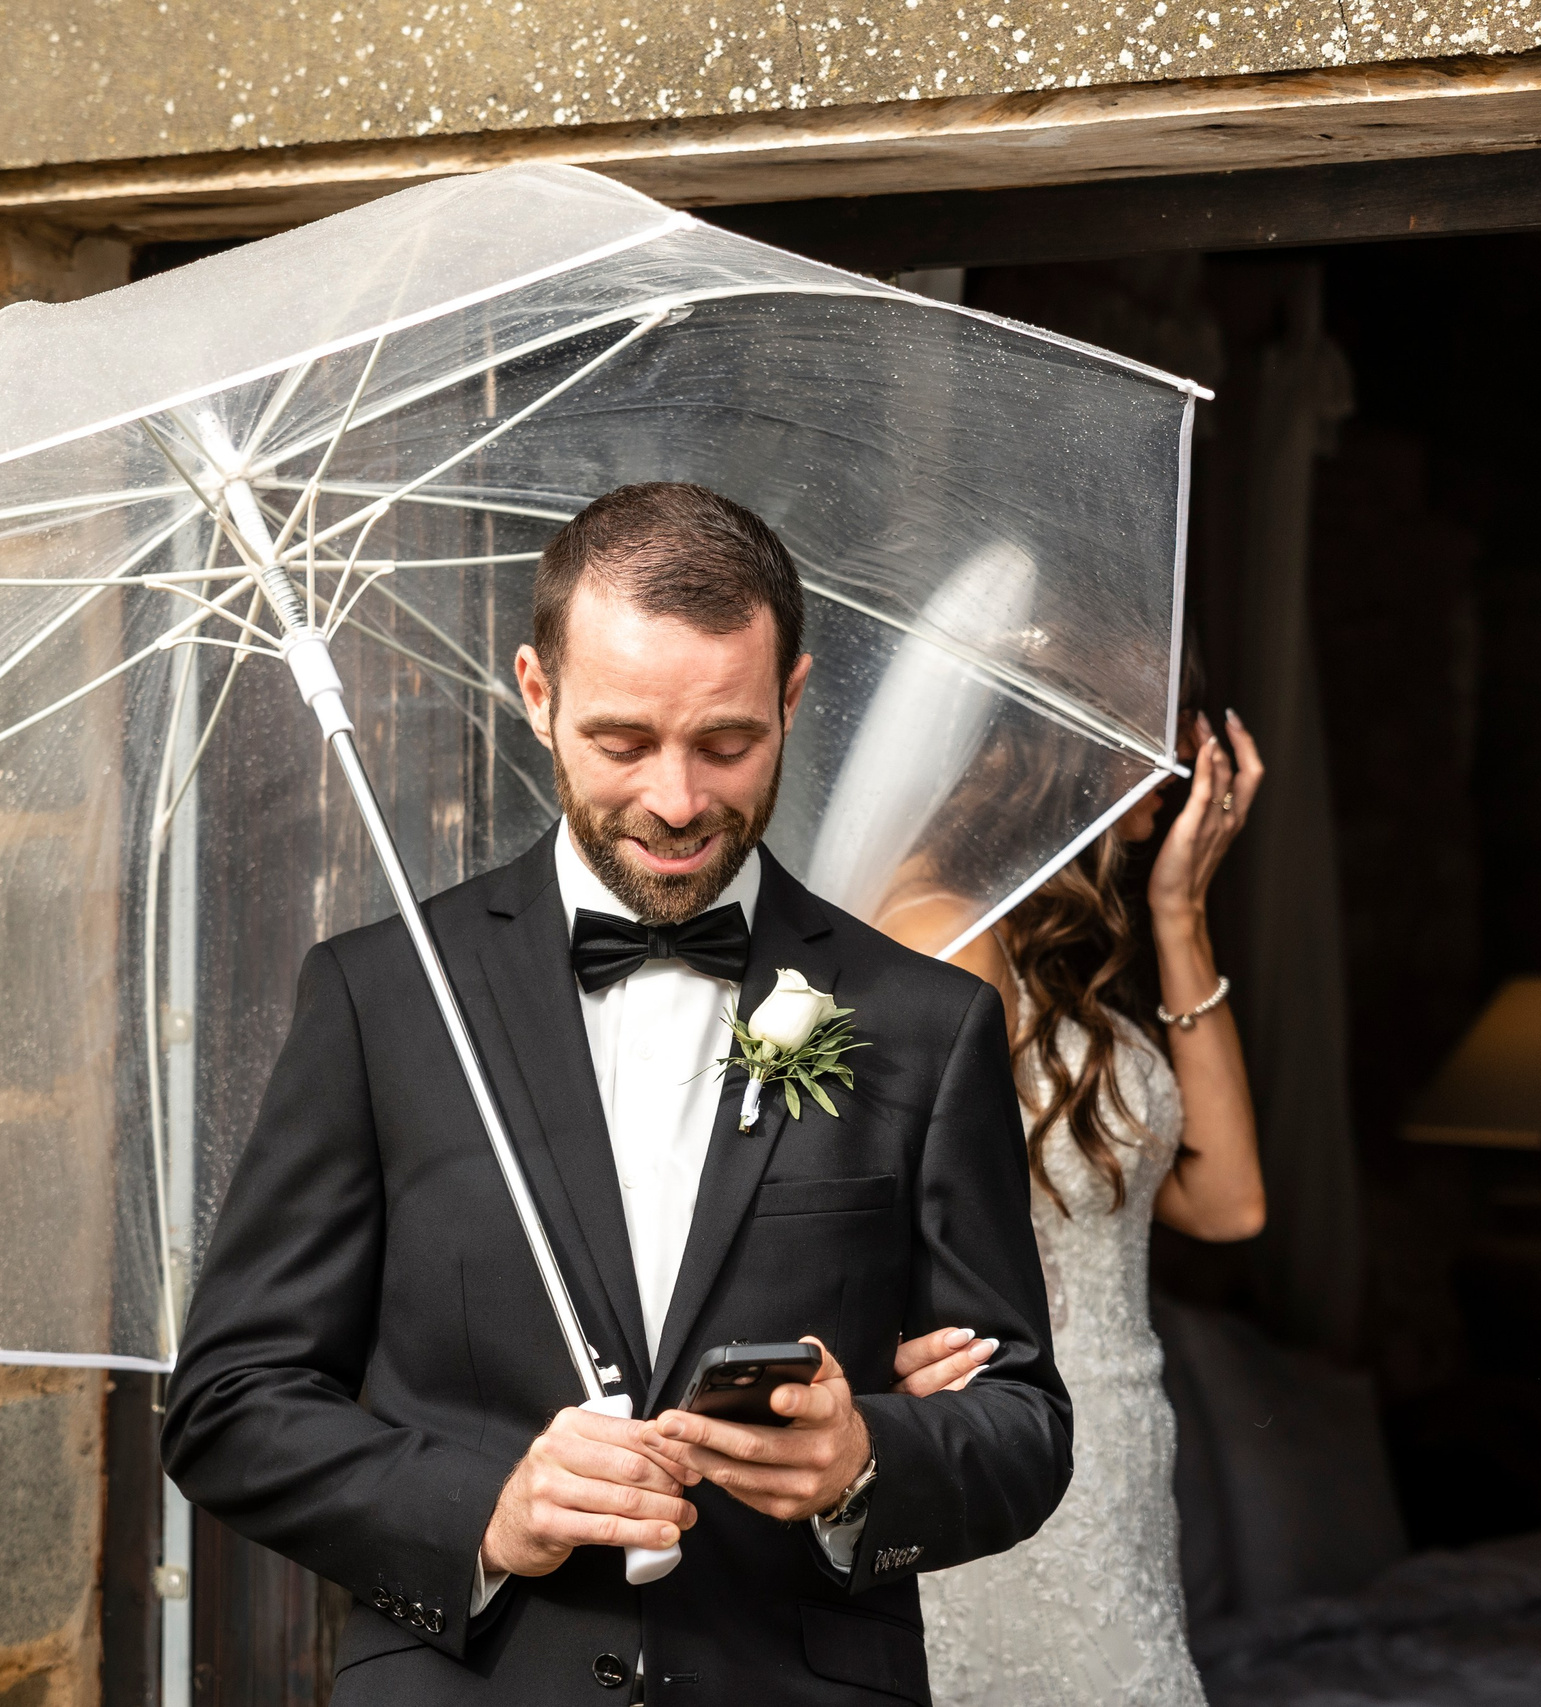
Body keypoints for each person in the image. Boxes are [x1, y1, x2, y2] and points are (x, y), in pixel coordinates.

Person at [162, 482, 1071, 1706]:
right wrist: (489, 1511)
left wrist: (865, 1461)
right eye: (623, 742)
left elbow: (1022, 1427)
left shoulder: (928, 1022)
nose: (679, 801)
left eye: (728, 742)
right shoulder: (382, 998)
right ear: (537, 695)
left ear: (792, 697)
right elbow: (228, 1405)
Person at [881, 712, 1268, 1707]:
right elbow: (880, 1225)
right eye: (1165, 737)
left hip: (1117, 1456)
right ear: (1073, 739)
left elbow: (1225, 1203)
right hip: (1012, 1448)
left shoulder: (1039, 944)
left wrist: (1181, 914)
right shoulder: (946, 937)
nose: (1185, 769)